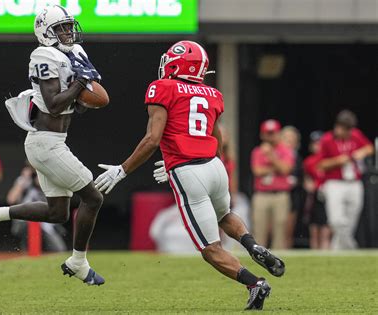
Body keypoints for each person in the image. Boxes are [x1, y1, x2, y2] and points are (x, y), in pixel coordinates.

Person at [94, 41, 285, 310]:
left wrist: (123, 170)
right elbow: (216, 138)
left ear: (176, 63)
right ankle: (252, 245)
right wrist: (191, 157)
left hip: (188, 171)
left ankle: (255, 283)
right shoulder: (211, 93)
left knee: (210, 249)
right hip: (215, 166)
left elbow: (152, 139)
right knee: (225, 213)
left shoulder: (161, 88)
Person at [0, 5, 106, 286]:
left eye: (69, 27)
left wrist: (83, 96)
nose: (68, 33)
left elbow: (76, 105)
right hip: (46, 143)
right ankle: (78, 262)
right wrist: (81, 82)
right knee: (93, 198)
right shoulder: (43, 55)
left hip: (52, 142)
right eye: (61, 28)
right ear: (46, 32)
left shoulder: (72, 53)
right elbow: (55, 105)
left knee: (57, 213)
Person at [318, 110, 373, 250]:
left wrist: (361, 152)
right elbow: (320, 164)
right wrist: (337, 161)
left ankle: (339, 249)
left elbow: (370, 148)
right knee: (336, 219)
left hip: (354, 182)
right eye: (340, 127)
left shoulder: (355, 135)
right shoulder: (327, 139)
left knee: (351, 220)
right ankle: (351, 246)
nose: (342, 131)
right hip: (334, 183)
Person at [250, 120, 295, 249]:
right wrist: (276, 168)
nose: (270, 136)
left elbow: (286, 169)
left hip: (280, 194)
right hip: (261, 194)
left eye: (273, 133)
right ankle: (260, 257)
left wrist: (271, 156)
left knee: (280, 229)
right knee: (259, 229)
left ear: (278, 133)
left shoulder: (285, 150)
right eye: (267, 133)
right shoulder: (257, 151)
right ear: (262, 135)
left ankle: (278, 259)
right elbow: (257, 171)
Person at [7, 163, 67, 252]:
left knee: (59, 249)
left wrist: (42, 182)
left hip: (45, 221)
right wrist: (23, 180)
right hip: (25, 220)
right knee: (29, 237)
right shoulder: (23, 181)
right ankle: (27, 252)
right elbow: (11, 199)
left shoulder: (48, 181)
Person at [303, 131, 331, 250]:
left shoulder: (330, 159)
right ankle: (315, 251)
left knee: (326, 226)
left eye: (319, 143)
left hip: (328, 194)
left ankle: (326, 250)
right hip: (314, 196)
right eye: (315, 143)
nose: (317, 146)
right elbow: (306, 178)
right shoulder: (308, 161)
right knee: (314, 228)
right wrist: (308, 184)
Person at [281, 125, 304, 248]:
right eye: (286, 138)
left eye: (292, 139)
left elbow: (301, 178)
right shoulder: (275, 155)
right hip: (277, 194)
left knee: (288, 231)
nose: (289, 142)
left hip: (293, 196)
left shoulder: (298, 158)